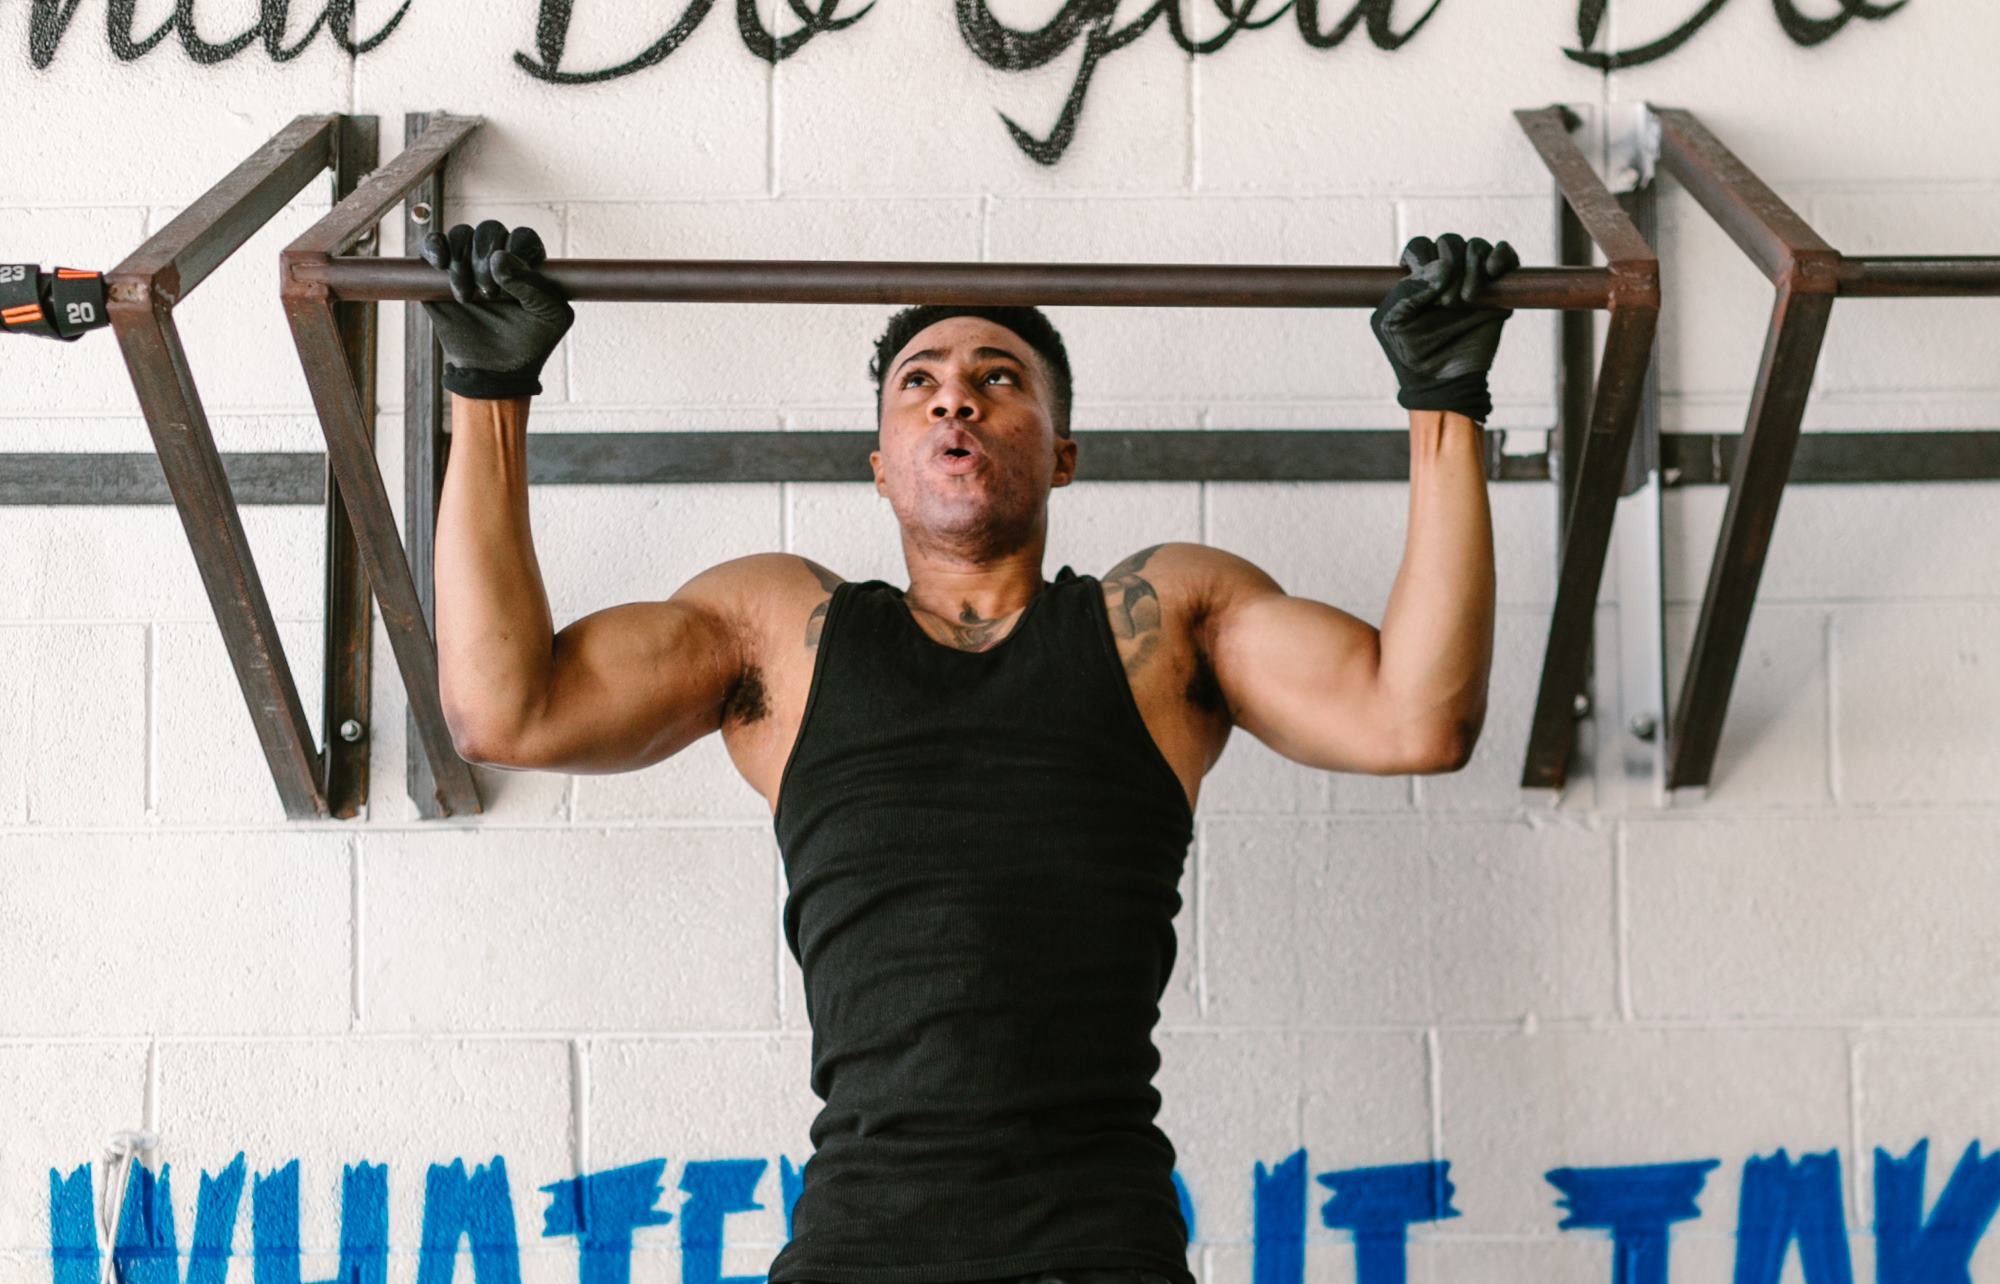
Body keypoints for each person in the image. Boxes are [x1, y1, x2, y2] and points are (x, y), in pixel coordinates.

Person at [421, 219, 1516, 1284]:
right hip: (856, 1249)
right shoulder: (778, 634)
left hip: (1096, 1250)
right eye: (919, 380)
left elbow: (1412, 717)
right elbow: (506, 710)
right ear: (881, 467)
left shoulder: (1163, 620)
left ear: (1062, 455)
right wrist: (486, 390)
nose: (955, 393)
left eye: (1000, 378)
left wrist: (1441, 402)